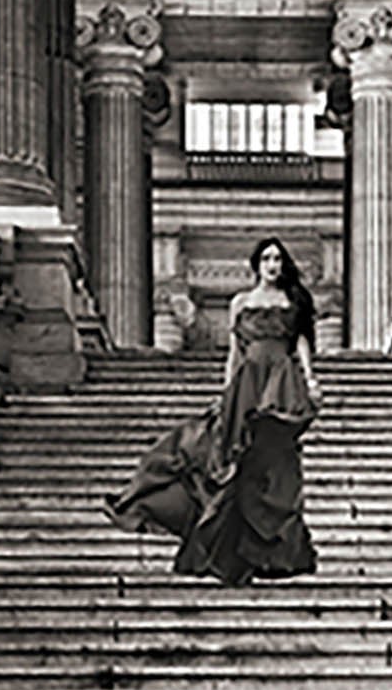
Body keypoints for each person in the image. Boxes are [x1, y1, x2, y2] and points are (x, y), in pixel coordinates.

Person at [105, 237, 320, 584]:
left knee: (274, 464)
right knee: (232, 462)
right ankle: (233, 554)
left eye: (278, 259)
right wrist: (226, 393)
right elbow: (234, 354)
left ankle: (271, 553)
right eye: (266, 258)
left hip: (280, 382)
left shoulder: (292, 301)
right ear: (256, 264)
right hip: (247, 384)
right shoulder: (241, 303)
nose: (273, 265)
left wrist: (310, 380)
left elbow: (300, 342)